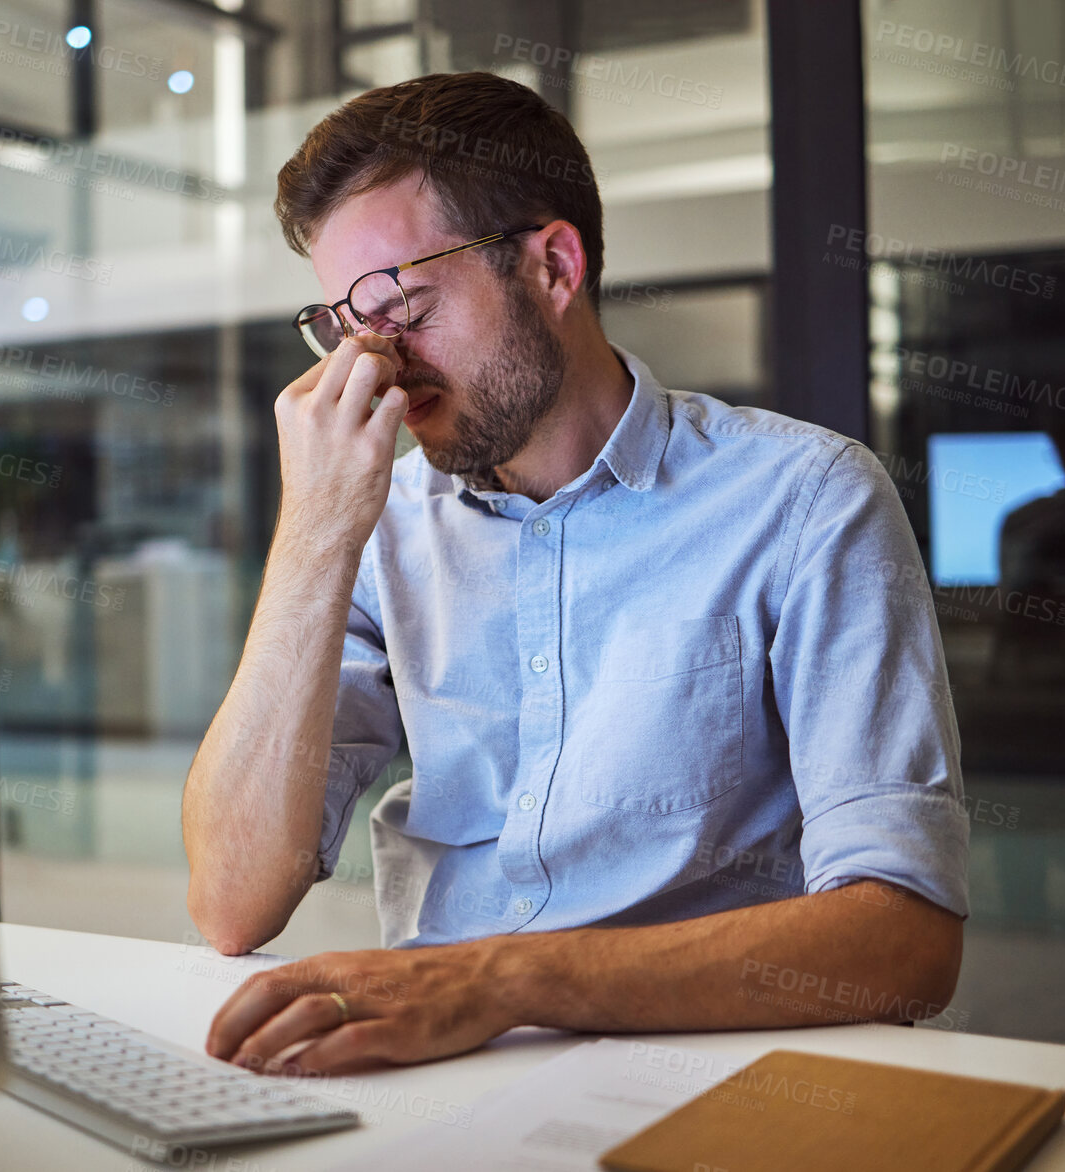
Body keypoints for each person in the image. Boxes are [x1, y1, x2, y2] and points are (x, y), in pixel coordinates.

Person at [181, 72, 967, 1078]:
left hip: (709, 1080)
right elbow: (230, 899)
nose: (373, 362)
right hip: (430, 1073)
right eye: (341, 324)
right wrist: (310, 536)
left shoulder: (806, 499)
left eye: (402, 306)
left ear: (552, 266)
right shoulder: (379, 524)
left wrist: (501, 980)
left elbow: (902, 941)